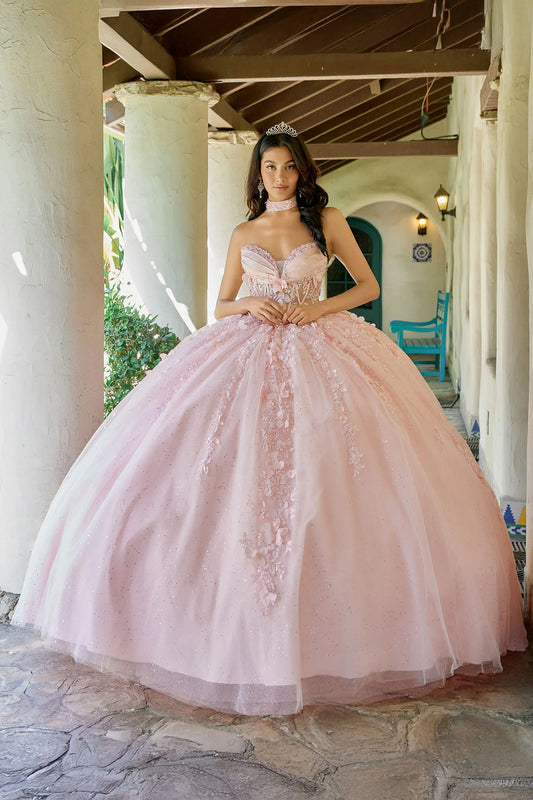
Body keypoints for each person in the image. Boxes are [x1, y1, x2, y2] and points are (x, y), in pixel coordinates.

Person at [12, 122, 527, 716]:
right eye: (268, 169)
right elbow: (221, 304)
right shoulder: (243, 232)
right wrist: (250, 303)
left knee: (335, 475)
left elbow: (367, 285)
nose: (278, 177)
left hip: (321, 343)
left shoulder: (326, 223)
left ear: (302, 170)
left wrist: (315, 311)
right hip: (247, 346)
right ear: (257, 176)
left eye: (286, 167)